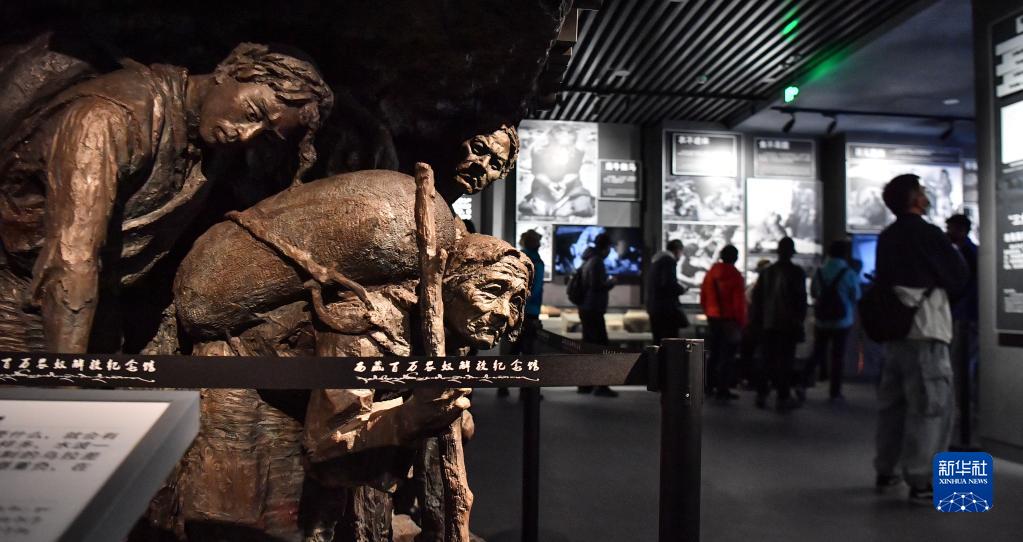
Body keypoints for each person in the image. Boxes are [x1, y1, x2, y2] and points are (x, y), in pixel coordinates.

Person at [0, 42, 333, 353]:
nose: (245, 135)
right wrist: (67, 377)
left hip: (103, 309)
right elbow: (72, 257)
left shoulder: (214, 141)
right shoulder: (107, 119)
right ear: (229, 70)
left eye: (265, 136)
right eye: (251, 112)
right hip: (26, 304)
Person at [872, 174, 968, 504]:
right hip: (927, 329)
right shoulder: (929, 234)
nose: (927, 195)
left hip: (895, 332)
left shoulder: (887, 237)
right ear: (915, 199)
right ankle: (922, 479)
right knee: (930, 407)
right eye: (923, 191)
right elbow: (958, 276)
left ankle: (886, 469)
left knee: (893, 406)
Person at [749, 237, 807, 411]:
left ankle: (761, 394)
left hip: (767, 323)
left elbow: (757, 299)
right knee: (785, 361)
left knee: (766, 359)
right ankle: (783, 397)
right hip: (788, 324)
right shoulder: (797, 272)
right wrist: (799, 320)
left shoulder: (767, 272)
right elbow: (801, 300)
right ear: (792, 253)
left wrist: (757, 321)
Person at [805, 240, 861, 401]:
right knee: (838, 356)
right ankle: (834, 392)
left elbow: (813, 293)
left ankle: (802, 383)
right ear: (845, 254)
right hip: (842, 321)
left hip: (821, 320)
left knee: (817, 352)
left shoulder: (819, 271)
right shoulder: (849, 273)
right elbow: (856, 296)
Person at [499, 228, 545, 398]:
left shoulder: (517, 257)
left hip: (513, 309)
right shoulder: (536, 261)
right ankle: (526, 389)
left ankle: (502, 385)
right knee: (528, 351)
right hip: (530, 311)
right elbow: (536, 289)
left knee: (511, 349)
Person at [946, 213, 979, 442]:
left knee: (962, 365)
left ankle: (965, 411)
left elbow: (966, 287)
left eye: (951, 228)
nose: (948, 232)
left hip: (967, 318)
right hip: (967, 316)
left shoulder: (966, 253)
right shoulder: (969, 252)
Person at [700, 244, 746, 400]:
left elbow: (703, 296)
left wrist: (708, 312)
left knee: (714, 352)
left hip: (713, 318)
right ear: (735, 257)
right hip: (729, 320)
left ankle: (708, 386)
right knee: (728, 356)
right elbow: (738, 303)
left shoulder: (711, 272)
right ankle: (723, 388)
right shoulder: (735, 275)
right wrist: (741, 322)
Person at [577, 233, 617, 397]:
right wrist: (611, 282)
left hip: (586, 308)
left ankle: (585, 385)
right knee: (601, 347)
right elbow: (596, 285)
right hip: (594, 309)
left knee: (588, 347)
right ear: (606, 247)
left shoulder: (587, 259)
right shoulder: (597, 261)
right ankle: (601, 385)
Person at [647, 239, 689, 343]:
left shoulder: (656, 261)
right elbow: (668, 284)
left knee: (658, 341)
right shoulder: (669, 261)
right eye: (681, 252)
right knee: (670, 343)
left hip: (655, 308)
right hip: (666, 311)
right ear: (677, 250)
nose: (681, 256)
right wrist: (682, 289)